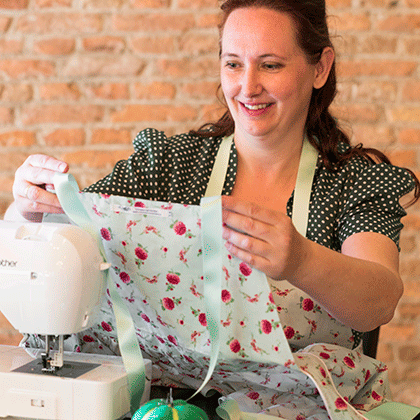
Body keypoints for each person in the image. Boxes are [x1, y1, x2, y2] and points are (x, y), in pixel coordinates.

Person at [5, 0, 420, 418]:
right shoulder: (168, 166)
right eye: (234, 64)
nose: (248, 86)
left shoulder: (354, 181)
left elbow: (378, 301)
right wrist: (28, 210)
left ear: (320, 67)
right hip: (165, 403)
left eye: (271, 65)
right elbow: (75, 234)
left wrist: (301, 259)